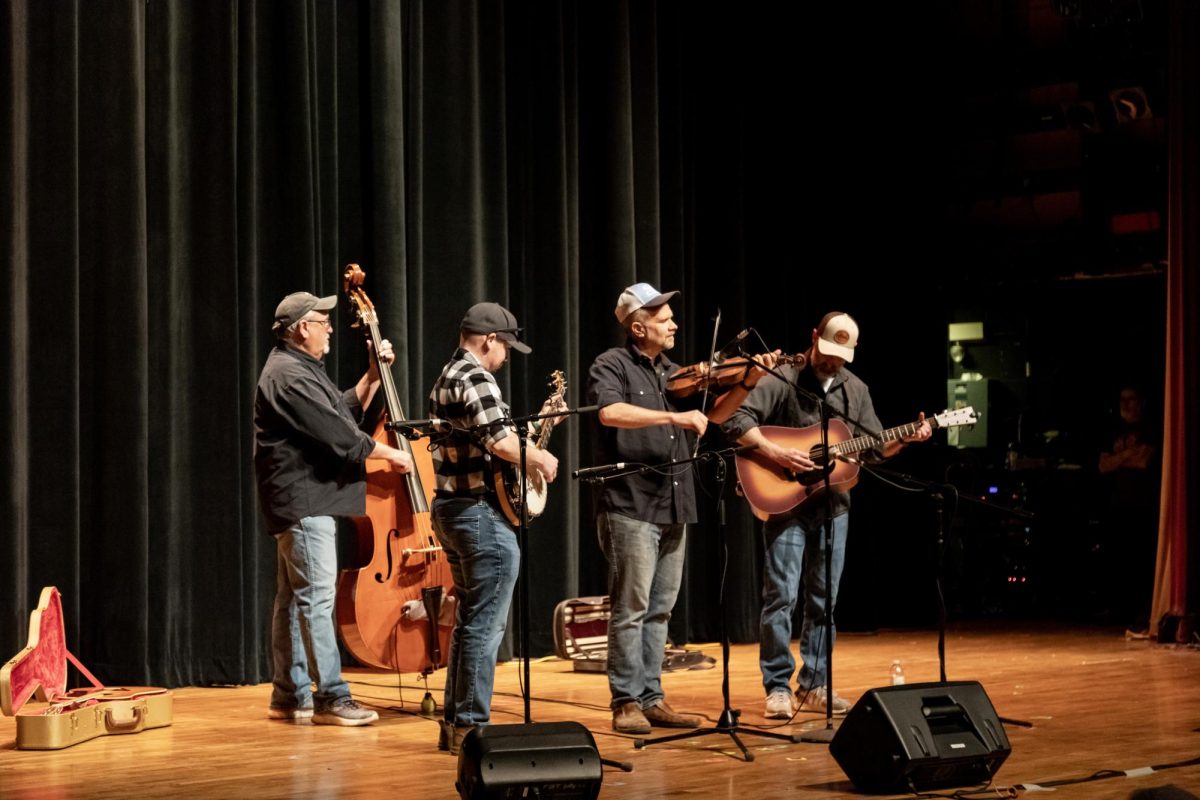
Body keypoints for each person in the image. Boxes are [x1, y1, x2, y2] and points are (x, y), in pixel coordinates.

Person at [722, 311, 931, 719]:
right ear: (814, 336)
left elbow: (873, 447)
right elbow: (735, 419)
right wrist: (776, 452)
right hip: (787, 502)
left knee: (825, 601)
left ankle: (814, 685)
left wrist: (904, 439)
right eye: (827, 351)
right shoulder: (784, 375)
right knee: (781, 597)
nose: (831, 362)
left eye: (840, 357)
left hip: (834, 507)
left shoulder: (856, 390)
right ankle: (777, 686)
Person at [586, 282, 770, 734]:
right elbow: (610, 413)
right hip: (630, 501)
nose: (674, 324)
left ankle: (652, 698)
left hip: (675, 501)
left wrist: (748, 381)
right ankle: (625, 701)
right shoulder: (611, 365)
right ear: (638, 326)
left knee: (661, 609)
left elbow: (717, 417)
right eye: (664, 318)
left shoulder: (676, 373)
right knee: (630, 607)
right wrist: (674, 416)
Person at [254, 291, 415, 726]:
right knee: (316, 600)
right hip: (305, 501)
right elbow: (339, 436)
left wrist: (373, 376)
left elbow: (340, 412)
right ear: (303, 327)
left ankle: (288, 696)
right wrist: (392, 456)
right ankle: (331, 697)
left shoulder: (299, 369)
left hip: (302, 498)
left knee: (293, 601)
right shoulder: (289, 374)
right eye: (323, 322)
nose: (329, 328)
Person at [428, 302, 560, 755]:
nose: (505, 358)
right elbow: (501, 442)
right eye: (505, 348)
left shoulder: (447, 374)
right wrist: (540, 456)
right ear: (489, 340)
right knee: (485, 627)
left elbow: (482, 437)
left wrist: (536, 430)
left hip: (450, 511)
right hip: (480, 516)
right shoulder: (476, 376)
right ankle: (470, 726)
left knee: (468, 623)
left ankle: (454, 724)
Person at [1096, 384, 1160, 629]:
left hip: (1144, 504)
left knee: (1141, 560)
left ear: (1142, 402)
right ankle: (1122, 610)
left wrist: (1119, 458)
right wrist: (1128, 455)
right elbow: (1103, 465)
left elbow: (1144, 461)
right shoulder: (1113, 431)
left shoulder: (1151, 428)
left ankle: (1143, 612)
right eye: (1122, 399)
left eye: (1131, 399)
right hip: (1119, 504)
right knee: (1120, 560)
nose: (1126, 405)